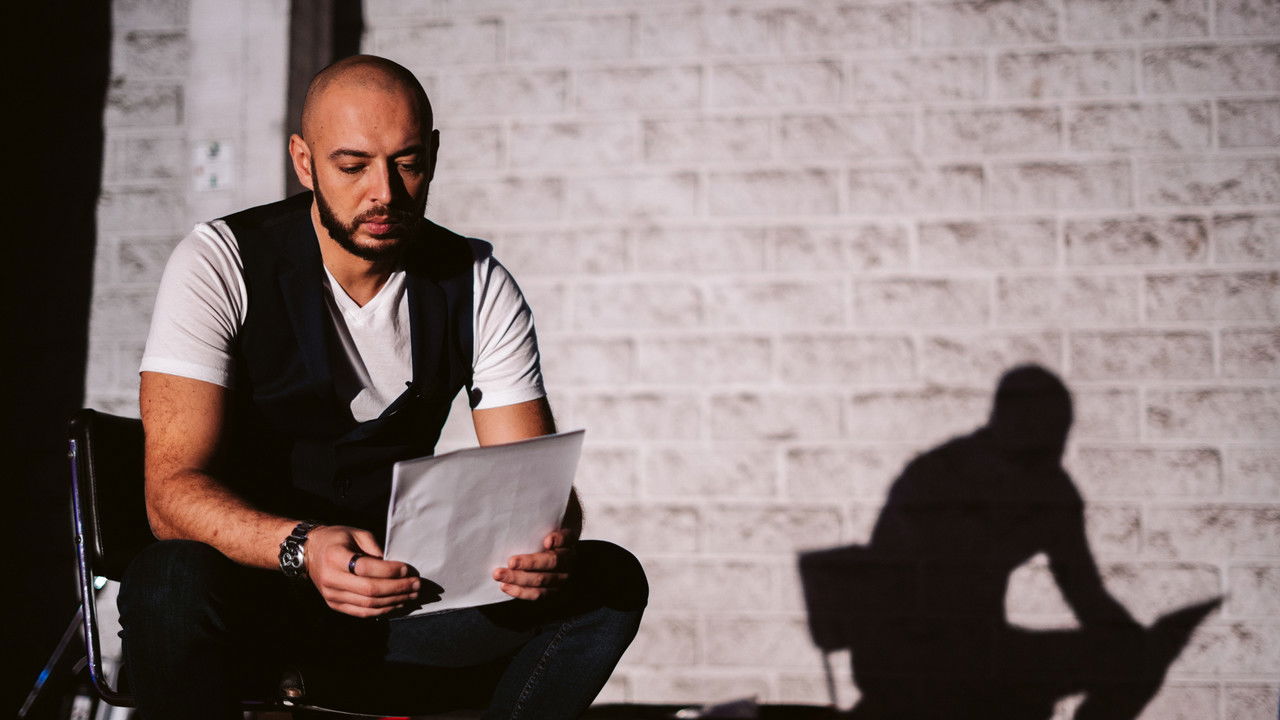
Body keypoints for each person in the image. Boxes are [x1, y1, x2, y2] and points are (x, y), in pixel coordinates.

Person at [118, 55, 646, 720]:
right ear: (305, 163)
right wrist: (303, 546)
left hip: (396, 609)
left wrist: (548, 545)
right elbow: (170, 495)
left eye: (407, 162)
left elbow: (535, 488)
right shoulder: (220, 262)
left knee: (609, 581)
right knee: (168, 577)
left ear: (433, 154)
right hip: (251, 602)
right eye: (352, 164)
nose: (385, 192)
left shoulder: (476, 281)